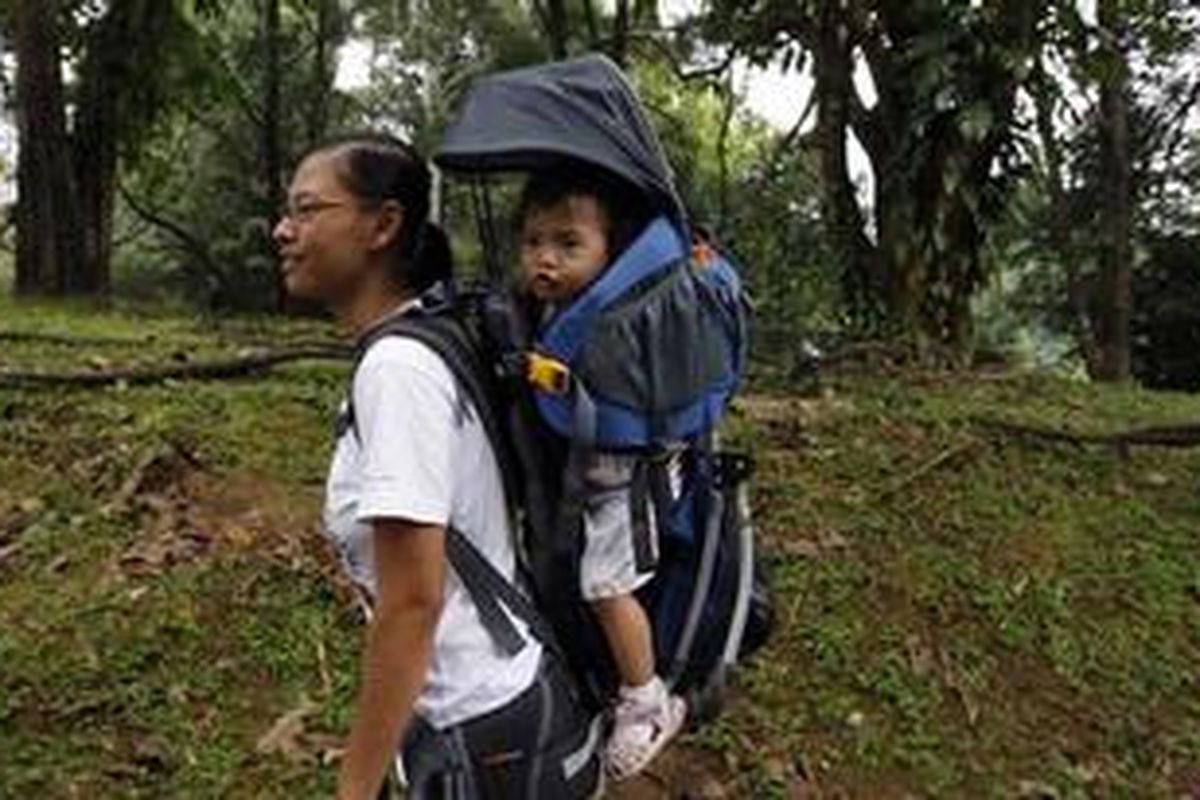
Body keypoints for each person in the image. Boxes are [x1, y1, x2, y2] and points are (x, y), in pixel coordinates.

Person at [273, 132, 601, 800]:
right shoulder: (432, 330)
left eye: (307, 210)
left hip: (482, 728)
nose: (284, 230)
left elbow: (413, 603)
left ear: (383, 224)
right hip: (502, 701)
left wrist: (356, 787)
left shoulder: (398, 369)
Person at [517, 164, 689, 781]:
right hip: (591, 479)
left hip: (633, 479)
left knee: (605, 587)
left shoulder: (613, 319)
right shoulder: (555, 313)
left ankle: (649, 701)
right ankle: (605, 679)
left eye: (569, 244)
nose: (546, 259)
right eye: (535, 241)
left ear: (609, 254)